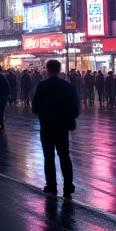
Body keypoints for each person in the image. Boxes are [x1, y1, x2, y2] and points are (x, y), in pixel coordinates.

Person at [31, 59, 79, 196]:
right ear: (59, 69)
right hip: (62, 127)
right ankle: (68, 186)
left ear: (47, 69)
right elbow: (75, 108)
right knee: (64, 156)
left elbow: (35, 108)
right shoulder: (67, 86)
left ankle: (51, 185)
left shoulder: (42, 86)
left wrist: (44, 115)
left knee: (49, 157)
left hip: (46, 127)